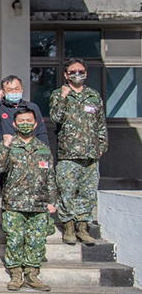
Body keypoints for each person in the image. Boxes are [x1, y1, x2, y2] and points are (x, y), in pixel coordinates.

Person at [0, 108, 58, 291]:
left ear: (36, 123)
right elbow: (0, 165)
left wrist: (52, 201)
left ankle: (32, 274)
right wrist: (6, 146)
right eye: (21, 121)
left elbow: (50, 177)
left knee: (36, 240)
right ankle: (15, 274)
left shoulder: (43, 148)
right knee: (14, 239)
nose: (25, 124)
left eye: (28, 120)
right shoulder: (7, 145)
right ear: (14, 124)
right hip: (14, 202)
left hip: (38, 203)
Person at [49, 58, 107, 246]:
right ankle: (68, 227)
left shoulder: (93, 96)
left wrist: (101, 146)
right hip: (68, 154)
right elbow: (55, 118)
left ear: (86, 74)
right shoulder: (59, 94)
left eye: (80, 71)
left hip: (90, 154)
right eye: (72, 72)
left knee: (88, 193)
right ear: (66, 75)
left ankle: (83, 227)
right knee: (66, 191)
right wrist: (64, 98)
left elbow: (100, 124)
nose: (77, 75)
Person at [0, 74, 49, 187]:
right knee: (8, 191)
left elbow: (41, 131)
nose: (14, 92)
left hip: (31, 155)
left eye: (17, 89)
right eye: (9, 89)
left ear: (22, 89)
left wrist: (46, 152)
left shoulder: (31, 108)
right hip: (8, 156)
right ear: (3, 92)